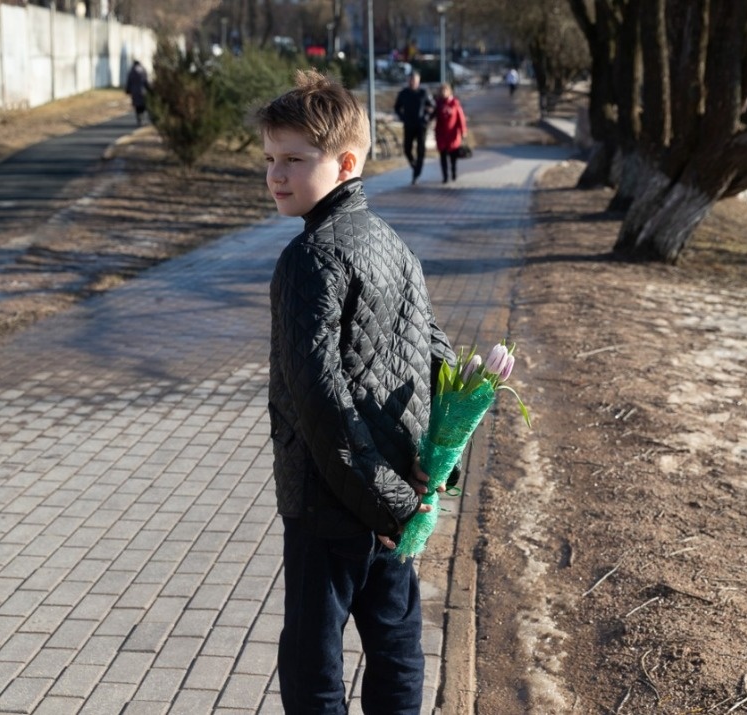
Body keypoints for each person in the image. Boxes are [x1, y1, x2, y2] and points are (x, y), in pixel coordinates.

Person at [257, 69, 457, 713]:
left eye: (294, 160)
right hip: (393, 496)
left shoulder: (310, 258)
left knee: (313, 657)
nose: (276, 175)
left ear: (345, 163)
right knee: (396, 641)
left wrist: (388, 499)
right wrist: (430, 475)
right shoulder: (394, 245)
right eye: (270, 159)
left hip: (330, 499)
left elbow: (319, 398)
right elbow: (442, 362)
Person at [393, 71, 435, 184]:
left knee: (420, 150)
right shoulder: (403, 93)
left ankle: (417, 173)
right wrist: (403, 117)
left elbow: (432, 106)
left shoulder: (424, 93)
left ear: (418, 81)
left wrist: (426, 117)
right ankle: (414, 165)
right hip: (409, 125)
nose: (413, 82)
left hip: (421, 125)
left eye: (415, 80)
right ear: (408, 81)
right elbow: (397, 107)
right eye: (411, 80)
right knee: (407, 149)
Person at [433, 82, 468, 184]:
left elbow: (461, 118)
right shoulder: (437, 104)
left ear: (449, 92)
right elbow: (432, 115)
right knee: (443, 155)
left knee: (453, 156)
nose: (443, 93)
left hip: (453, 134)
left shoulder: (455, 103)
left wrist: (463, 131)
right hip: (441, 134)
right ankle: (445, 176)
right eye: (441, 91)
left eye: (445, 90)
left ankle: (453, 172)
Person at [125, 60, 150, 126]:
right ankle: (142, 117)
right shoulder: (143, 70)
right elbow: (146, 81)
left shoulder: (131, 72)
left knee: (137, 106)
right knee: (143, 105)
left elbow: (129, 82)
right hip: (142, 91)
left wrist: (128, 90)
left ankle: (139, 118)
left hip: (134, 91)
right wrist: (149, 88)